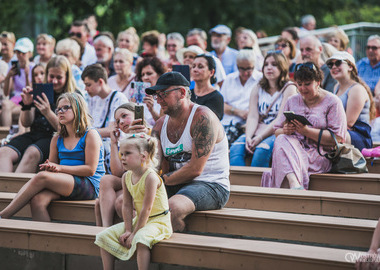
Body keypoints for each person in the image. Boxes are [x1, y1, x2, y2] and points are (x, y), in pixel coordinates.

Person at [0, 92, 105, 221]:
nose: (60, 112)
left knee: (42, 177)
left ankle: (4, 215)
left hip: (90, 184)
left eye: (65, 107)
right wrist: (50, 167)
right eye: (58, 109)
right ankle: (42, 241)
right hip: (66, 181)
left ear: (78, 108)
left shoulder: (90, 134)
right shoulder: (57, 138)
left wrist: (59, 168)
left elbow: (90, 169)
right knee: (37, 200)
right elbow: (53, 166)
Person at [146, 71, 230, 232]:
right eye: (156, 95)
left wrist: (158, 182)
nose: (158, 100)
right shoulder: (159, 125)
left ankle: (177, 253)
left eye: (163, 94)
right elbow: (154, 167)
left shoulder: (203, 118)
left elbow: (195, 169)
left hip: (211, 184)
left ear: (182, 93)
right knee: (124, 201)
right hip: (176, 183)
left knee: (171, 208)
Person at [261, 62, 347, 189]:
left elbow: (337, 138)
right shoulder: (292, 100)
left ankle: (293, 186)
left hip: (319, 155)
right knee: (282, 138)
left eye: (307, 84)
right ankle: (294, 184)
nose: (302, 88)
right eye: (299, 84)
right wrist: (285, 130)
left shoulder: (333, 102)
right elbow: (277, 131)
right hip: (292, 150)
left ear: (318, 82)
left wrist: (306, 131)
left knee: (284, 160)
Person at [95, 134, 172, 270]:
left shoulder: (151, 178)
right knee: (103, 236)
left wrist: (134, 233)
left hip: (158, 221)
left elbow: (147, 209)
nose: (123, 158)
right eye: (121, 154)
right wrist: (128, 229)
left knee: (140, 239)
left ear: (143, 156)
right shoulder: (126, 176)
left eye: (127, 154)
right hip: (140, 221)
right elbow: (127, 205)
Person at [0, 56, 77, 173]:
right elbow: (26, 122)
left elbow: (68, 131)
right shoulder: (41, 89)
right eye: (51, 76)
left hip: (56, 137)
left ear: (67, 76)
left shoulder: (73, 96)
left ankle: (16, 190)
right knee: (4, 152)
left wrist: (48, 112)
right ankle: (4, 189)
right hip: (34, 134)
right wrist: (27, 106)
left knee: (32, 152)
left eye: (59, 77)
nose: (54, 81)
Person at [229, 51, 297, 167]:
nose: (269, 68)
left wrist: (260, 137)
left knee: (262, 150)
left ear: (282, 67)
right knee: (235, 149)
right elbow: (253, 116)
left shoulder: (289, 88)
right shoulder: (258, 87)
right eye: (266, 64)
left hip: (277, 131)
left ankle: (258, 185)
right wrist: (249, 137)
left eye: (274, 64)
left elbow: (280, 119)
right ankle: (239, 183)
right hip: (258, 129)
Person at [95, 103, 149, 227]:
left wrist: (144, 135)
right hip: (128, 181)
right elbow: (117, 173)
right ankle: (106, 228)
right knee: (106, 180)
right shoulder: (123, 142)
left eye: (125, 116)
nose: (122, 122)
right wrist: (113, 143)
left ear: (137, 114)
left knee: (103, 203)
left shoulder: (148, 133)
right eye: (118, 121)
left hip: (145, 182)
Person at [82, 63, 128, 173]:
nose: (86, 89)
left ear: (100, 82)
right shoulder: (92, 98)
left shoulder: (118, 98)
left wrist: (86, 133)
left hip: (113, 144)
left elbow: (112, 131)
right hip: (94, 140)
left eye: (89, 85)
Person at [327, 51, 375, 151]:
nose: (334, 67)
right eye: (330, 65)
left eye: (338, 63)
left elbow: (348, 123)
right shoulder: (336, 87)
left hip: (359, 137)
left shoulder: (357, 89)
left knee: (324, 136)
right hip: (342, 133)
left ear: (350, 67)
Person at [220, 49, 262, 145]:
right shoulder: (229, 79)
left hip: (250, 125)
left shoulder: (261, 79)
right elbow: (221, 105)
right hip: (228, 123)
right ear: (237, 65)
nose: (245, 73)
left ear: (254, 66)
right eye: (241, 68)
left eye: (249, 68)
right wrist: (238, 112)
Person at [2, 38, 35, 128]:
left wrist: (27, 75)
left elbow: (30, 91)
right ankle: (5, 134)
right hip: (16, 99)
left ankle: (6, 134)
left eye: (23, 53)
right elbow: (6, 93)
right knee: (5, 103)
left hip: (27, 99)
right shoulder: (14, 68)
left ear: (30, 53)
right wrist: (8, 77)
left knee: (5, 111)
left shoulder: (34, 67)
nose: (20, 55)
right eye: (17, 52)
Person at [190, 54, 224, 120]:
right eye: (193, 66)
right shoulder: (188, 94)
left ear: (211, 72)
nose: (195, 69)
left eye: (200, 67)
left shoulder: (216, 97)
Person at [134, 57, 166, 125]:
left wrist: (151, 110)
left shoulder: (165, 96)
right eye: (142, 75)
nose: (145, 78)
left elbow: (164, 125)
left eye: (149, 73)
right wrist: (132, 108)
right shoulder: (138, 96)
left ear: (159, 75)